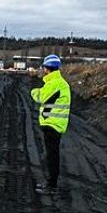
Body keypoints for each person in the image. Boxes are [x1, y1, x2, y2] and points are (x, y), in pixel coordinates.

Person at [31, 54, 71, 195]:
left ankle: (51, 185)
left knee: (52, 155)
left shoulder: (55, 83)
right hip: (54, 124)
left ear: (47, 68)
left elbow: (41, 97)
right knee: (52, 154)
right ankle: (51, 182)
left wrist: (33, 90)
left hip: (52, 124)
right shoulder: (59, 82)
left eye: (43, 67)